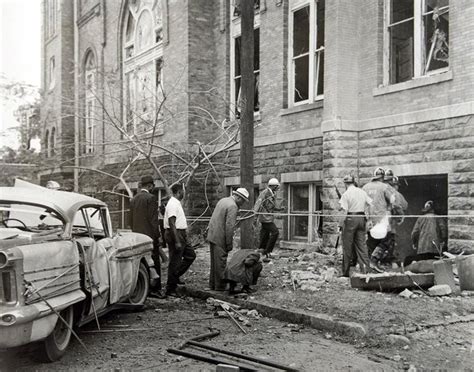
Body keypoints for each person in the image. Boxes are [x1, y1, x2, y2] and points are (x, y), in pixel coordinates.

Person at [207, 187, 249, 291]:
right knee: (221, 263)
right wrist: (229, 243)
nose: (242, 204)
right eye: (243, 201)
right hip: (220, 237)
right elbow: (229, 227)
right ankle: (220, 287)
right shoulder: (233, 206)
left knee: (214, 264)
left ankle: (213, 285)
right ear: (239, 198)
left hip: (213, 235)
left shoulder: (223, 200)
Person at [129, 176, 162, 294]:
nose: (153, 188)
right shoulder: (151, 198)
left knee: (141, 263)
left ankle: (144, 288)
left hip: (137, 237)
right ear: (149, 186)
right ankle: (155, 289)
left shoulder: (134, 199)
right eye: (152, 186)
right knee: (154, 262)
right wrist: (157, 236)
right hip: (149, 237)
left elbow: (130, 222)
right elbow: (154, 220)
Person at [164, 183, 196, 296]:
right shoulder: (172, 203)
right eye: (183, 191)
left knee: (191, 255)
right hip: (175, 233)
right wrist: (177, 240)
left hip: (181, 233)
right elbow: (172, 223)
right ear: (178, 192)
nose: (184, 193)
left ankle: (175, 275)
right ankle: (170, 288)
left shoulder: (177, 203)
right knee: (175, 261)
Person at [362, 167, 396, 271]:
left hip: (369, 220)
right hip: (381, 220)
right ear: (382, 178)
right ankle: (374, 260)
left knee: (372, 242)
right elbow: (392, 200)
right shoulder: (384, 187)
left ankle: (370, 268)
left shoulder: (365, 187)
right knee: (387, 240)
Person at [338, 175, 373, 277]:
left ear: (345, 184)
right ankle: (366, 271)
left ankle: (345, 273)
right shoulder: (362, 192)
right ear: (354, 182)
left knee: (347, 246)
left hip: (350, 219)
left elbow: (344, 211)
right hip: (361, 218)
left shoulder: (346, 194)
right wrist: (369, 219)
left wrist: (340, 225)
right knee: (362, 246)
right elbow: (370, 204)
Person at [408, 200, 447, 264]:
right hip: (435, 248)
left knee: (423, 266)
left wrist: (414, 243)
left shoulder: (420, 219)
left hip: (422, 249)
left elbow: (414, 233)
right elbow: (444, 231)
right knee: (434, 266)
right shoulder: (439, 218)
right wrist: (443, 242)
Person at [254, 178, 283, 258]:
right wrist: (255, 216)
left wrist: (279, 209)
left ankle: (261, 250)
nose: (277, 188)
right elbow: (258, 203)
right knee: (275, 232)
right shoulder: (265, 193)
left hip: (269, 217)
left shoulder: (272, 193)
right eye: (277, 186)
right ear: (273, 186)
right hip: (265, 218)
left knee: (265, 235)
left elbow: (271, 206)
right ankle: (268, 251)